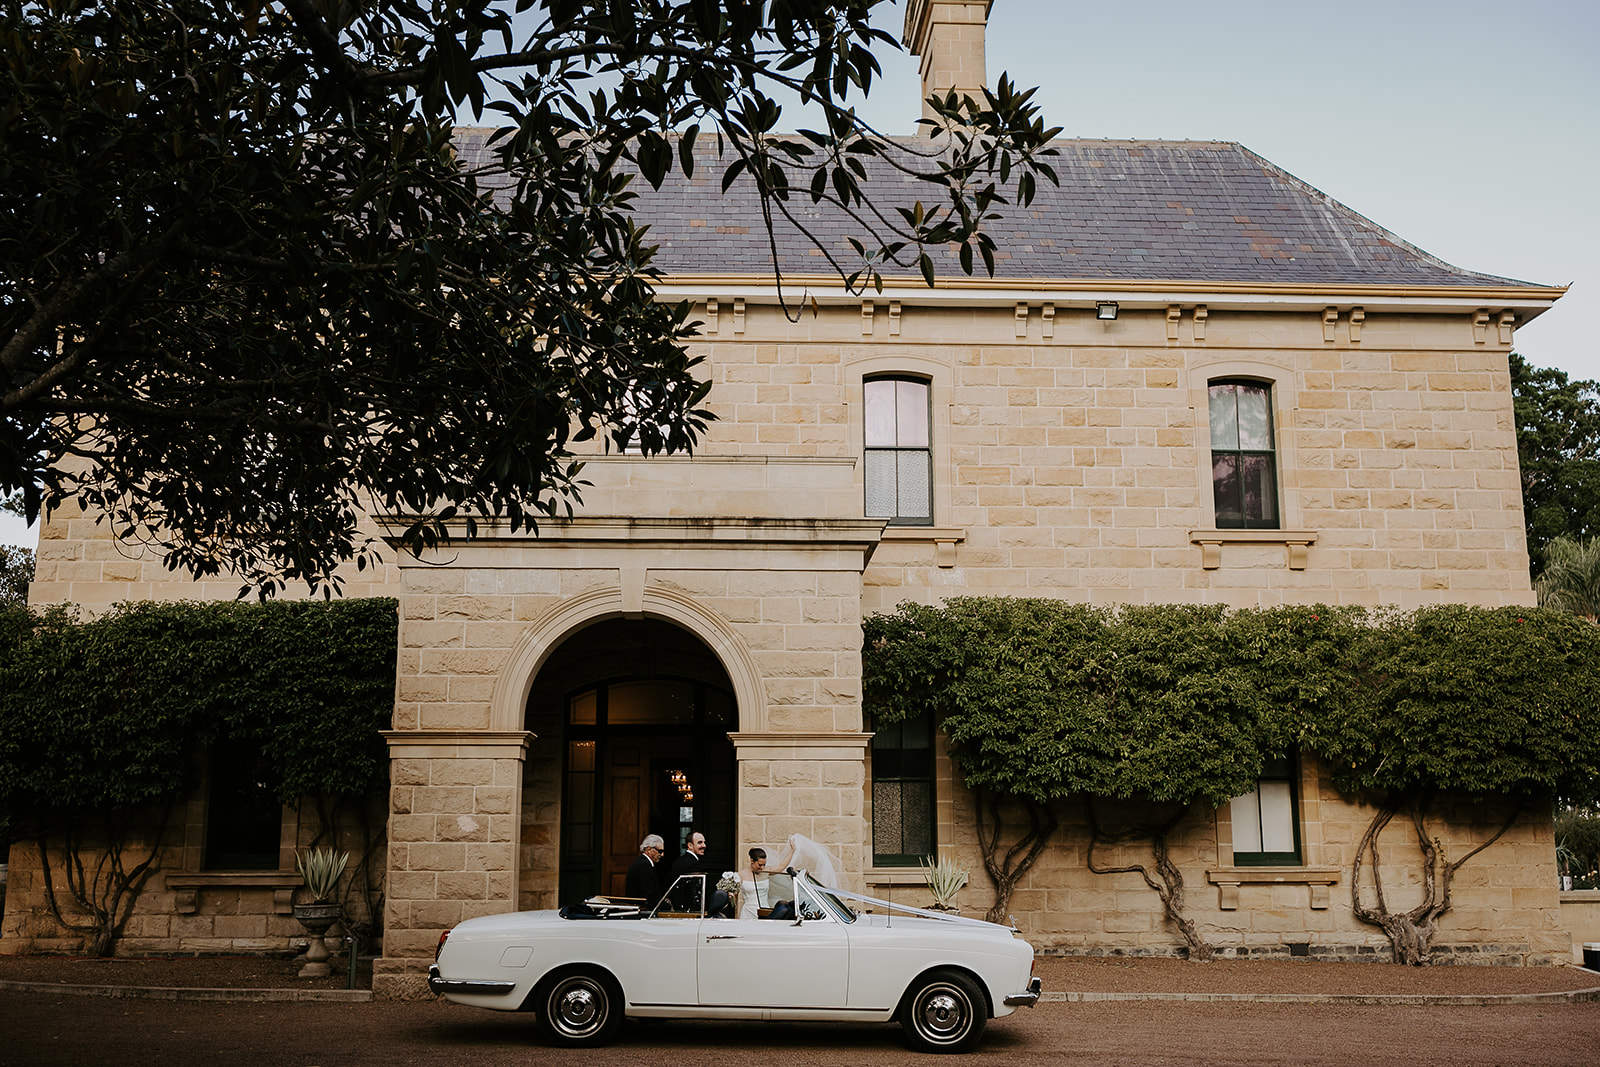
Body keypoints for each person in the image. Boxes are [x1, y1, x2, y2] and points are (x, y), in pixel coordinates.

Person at [624, 834, 665, 907]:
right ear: (649, 849)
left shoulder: (642, 863)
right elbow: (648, 895)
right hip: (642, 910)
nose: (662, 855)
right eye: (660, 851)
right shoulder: (644, 865)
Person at [736, 847, 768, 920]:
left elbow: (781, 866)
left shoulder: (767, 871)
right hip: (748, 912)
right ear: (752, 861)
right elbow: (735, 895)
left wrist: (792, 851)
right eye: (760, 865)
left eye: (764, 865)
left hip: (763, 910)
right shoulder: (741, 875)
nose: (762, 867)